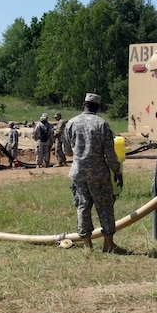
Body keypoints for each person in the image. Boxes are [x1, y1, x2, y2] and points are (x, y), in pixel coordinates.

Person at [63, 93, 126, 253]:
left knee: (83, 206)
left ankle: (87, 245)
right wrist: (116, 170)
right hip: (99, 174)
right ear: (97, 107)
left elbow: (67, 152)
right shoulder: (102, 124)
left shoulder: (71, 123)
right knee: (104, 206)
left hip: (78, 173)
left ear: (83, 105)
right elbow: (110, 153)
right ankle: (108, 243)